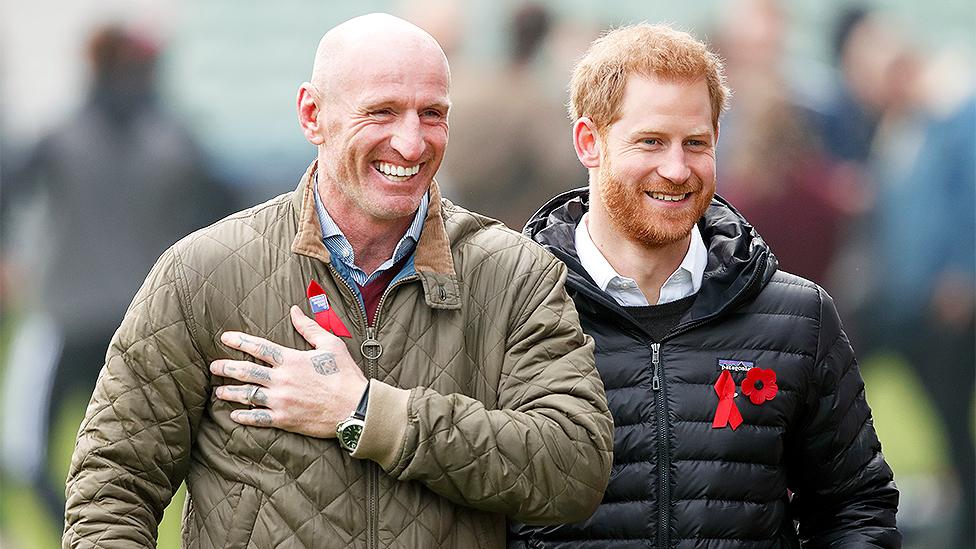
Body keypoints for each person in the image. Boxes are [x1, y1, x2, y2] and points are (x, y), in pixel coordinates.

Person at [63, 14, 613, 548]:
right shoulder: (203, 271)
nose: (412, 142)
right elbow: (112, 487)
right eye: (382, 111)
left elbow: (574, 470)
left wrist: (367, 413)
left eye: (432, 114)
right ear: (312, 115)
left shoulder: (517, 274)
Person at [510, 23, 900, 547]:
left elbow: (856, 507)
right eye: (651, 141)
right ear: (589, 143)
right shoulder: (510, 309)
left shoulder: (798, 320)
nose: (676, 169)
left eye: (696, 143)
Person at [0, 24, 229, 529]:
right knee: (152, 456)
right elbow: (231, 210)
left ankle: (72, 532)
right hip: (143, 320)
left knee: (29, 450)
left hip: (66, 319)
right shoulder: (176, 142)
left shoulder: (62, 137)